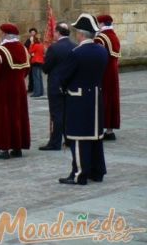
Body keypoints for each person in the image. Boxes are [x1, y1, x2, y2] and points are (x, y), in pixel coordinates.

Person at [58, 14, 108, 185]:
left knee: (78, 138)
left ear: (81, 34)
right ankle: (98, 171)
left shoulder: (77, 53)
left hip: (79, 99)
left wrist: (63, 89)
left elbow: (64, 77)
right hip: (96, 97)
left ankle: (79, 174)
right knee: (95, 137)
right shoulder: (102, 51)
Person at [0, 23, 31, 159]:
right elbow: (27, 69)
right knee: (18, 116)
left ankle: (3, 148)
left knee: (2, 118)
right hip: (19, 88)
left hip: (3, 90)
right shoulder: (23, 49)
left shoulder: (0, 52)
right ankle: (17, 147)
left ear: (4, 35)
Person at [40, 22, 76, 151]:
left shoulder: (54, 48)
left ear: (58, 33)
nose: (53, 35)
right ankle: (69, 139)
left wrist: (44, 59)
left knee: (57, 114)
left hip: (56, 84)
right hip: (70, 84)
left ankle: (55, 142)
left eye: (54, 32)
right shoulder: (74, 46)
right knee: (68, 113)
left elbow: (46, 68)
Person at [95, 14, 121, 141]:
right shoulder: (114, 36)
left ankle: (99, 129)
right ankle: (109, 130)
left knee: (103, 99)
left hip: (104, 72)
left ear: (102, 24)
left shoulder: (101, 38)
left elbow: (96, 57)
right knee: (112, 99)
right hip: (114, 72)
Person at [24, 27, 38, 93]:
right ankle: (31, 88)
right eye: (31, 32)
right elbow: (25, 47)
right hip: (29, 58)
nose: (32, 33)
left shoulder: (37, 40)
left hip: (36, 58)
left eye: (34, 32)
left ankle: (36, 88)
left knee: (36, 74)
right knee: (30, 74)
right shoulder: (28, 40)